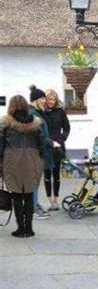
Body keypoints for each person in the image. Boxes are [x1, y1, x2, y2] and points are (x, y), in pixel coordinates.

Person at [0, 95, 45, 237]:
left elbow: (0, 145)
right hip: (32, 160)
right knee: (29, 194)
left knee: (17, 195)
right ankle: (29, 228)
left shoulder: (5, 123)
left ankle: (21, 228)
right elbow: (42, 143)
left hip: (12, 161)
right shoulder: (36, 123)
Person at [29, 85, 57, 219]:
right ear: (35, 100)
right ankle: (33, 208)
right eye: (42, 99)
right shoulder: (32, 114)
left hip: (37, 153)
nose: (45, 101)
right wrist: (51, 143)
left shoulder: (36, 113)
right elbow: (37, 136)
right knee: (33, 182)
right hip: (34, 154)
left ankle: (35, 205)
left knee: (34, 182)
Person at [42, 89, 70, 211]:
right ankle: (50, 200)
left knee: (56, 174)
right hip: (46, 145)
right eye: (49, 99)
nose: (51, 102)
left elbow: (67, 127)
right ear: (46, 100)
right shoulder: (41, 112)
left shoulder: (60, 112)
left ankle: (56, 199)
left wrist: (62, 138)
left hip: (58, 145)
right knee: (47, 174)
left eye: (53, 99)